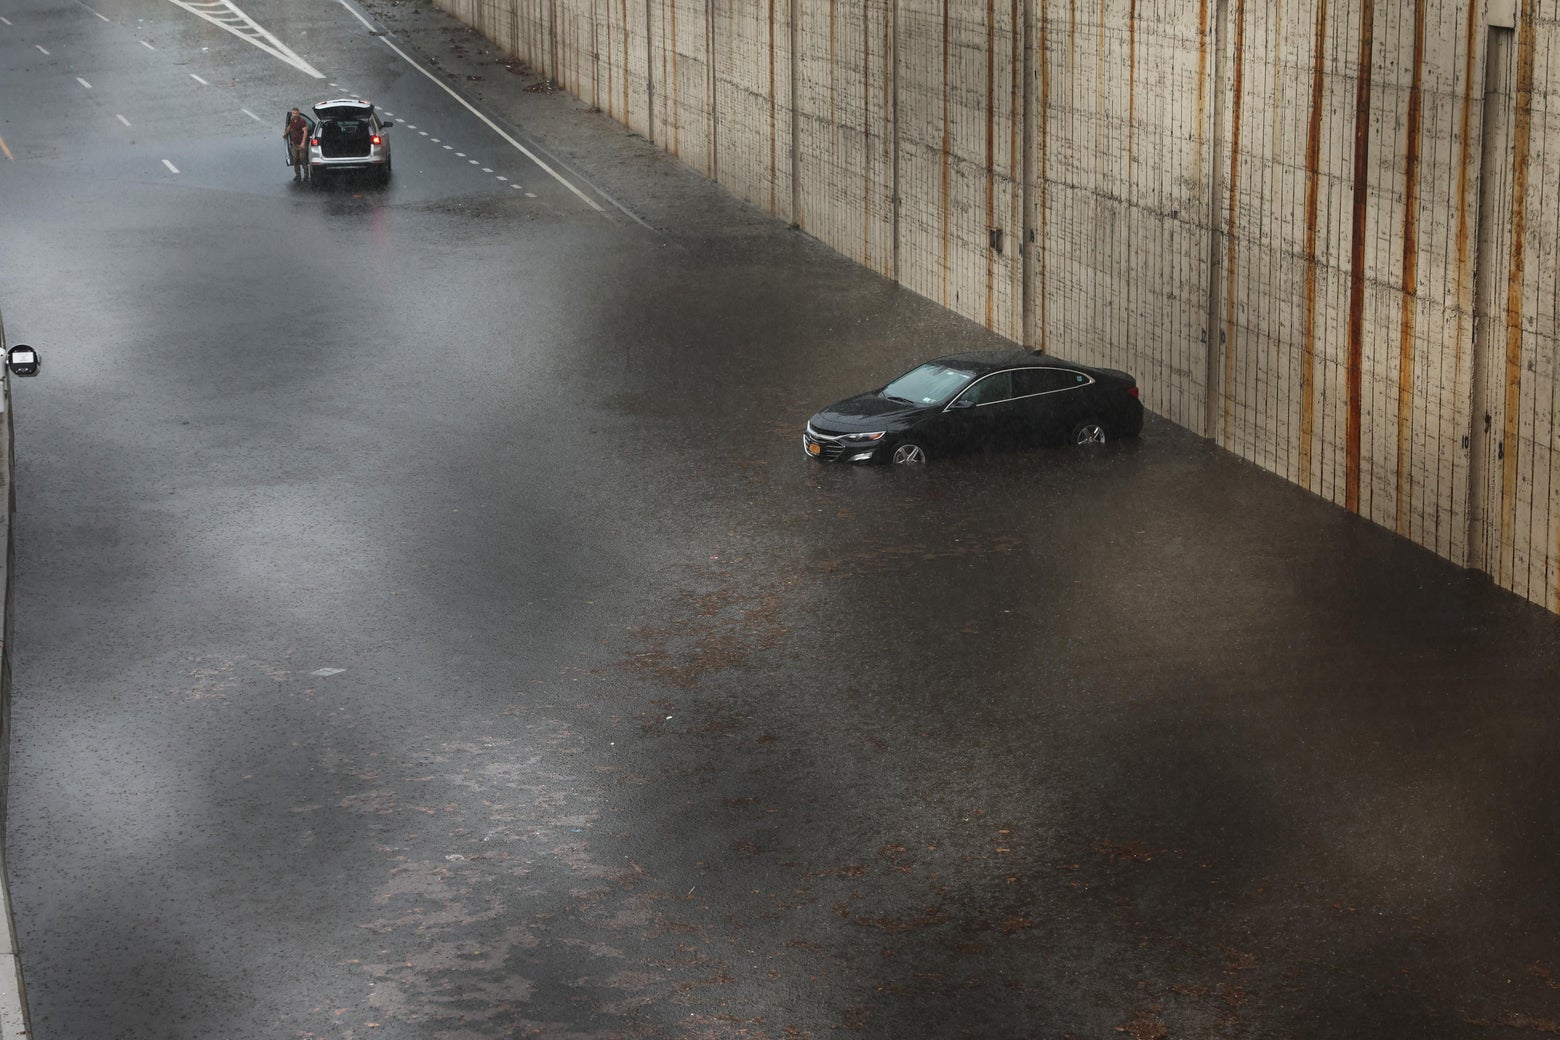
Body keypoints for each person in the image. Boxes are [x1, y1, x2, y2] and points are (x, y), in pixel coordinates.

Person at [283, 107, 310, 181]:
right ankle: (298, 175)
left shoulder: (302, 121)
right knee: (295, 160)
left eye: (296, 113)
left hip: (301, 144)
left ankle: (306, 176)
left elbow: (305, 132)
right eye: (293, 113)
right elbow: (289, 127)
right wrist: (285, 133)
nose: (295, 115)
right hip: (294, 144)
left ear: (298, 113)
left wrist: (303, 143)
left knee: (303, 159)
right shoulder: (291, 120)